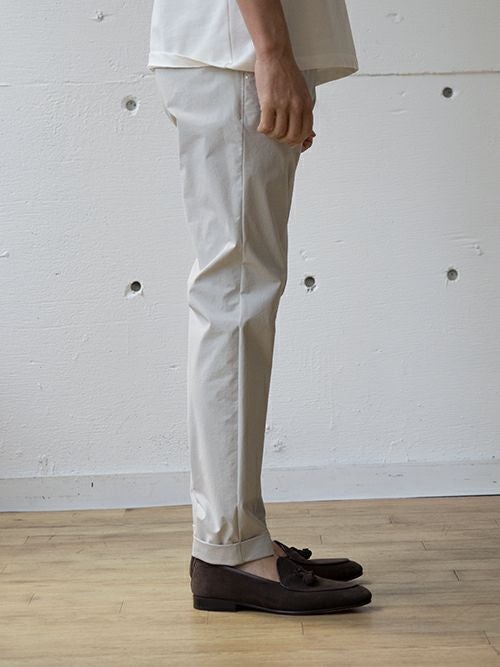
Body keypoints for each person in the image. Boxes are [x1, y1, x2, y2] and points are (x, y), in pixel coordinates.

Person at [148, 0, 372, 614]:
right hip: (237, 55)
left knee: (239, 291)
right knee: (237, 295)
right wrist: (272, 52)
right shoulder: (252, 56)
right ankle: (229, 551)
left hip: (235, 53)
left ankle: (240, 536)